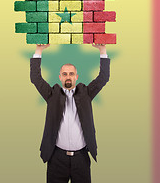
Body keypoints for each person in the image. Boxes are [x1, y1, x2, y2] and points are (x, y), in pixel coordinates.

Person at [30, 43, 110, 183]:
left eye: (71, 74)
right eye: (65, 74)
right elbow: (35, 78)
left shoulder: (86, 93)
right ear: (60, 77)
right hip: (56, 158)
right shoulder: (52, 94)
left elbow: (103, 78)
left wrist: (102, 50)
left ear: (76, 77)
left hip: (81, 159)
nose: (68, 77)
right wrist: (39, 50)